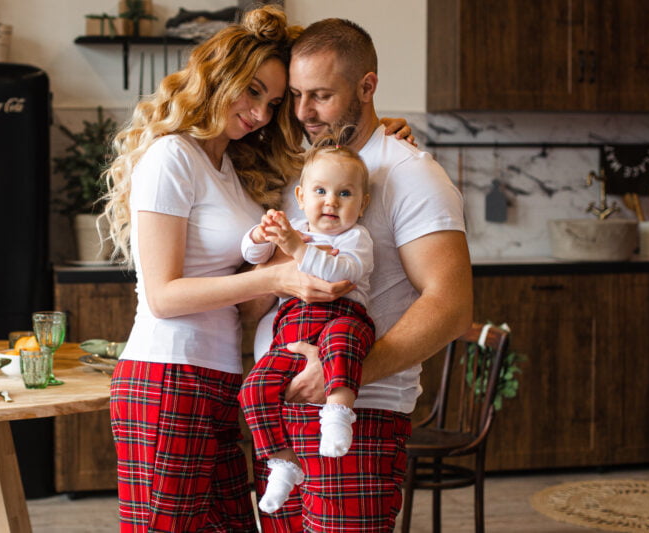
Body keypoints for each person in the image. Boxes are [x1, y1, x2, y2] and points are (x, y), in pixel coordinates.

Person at [101, 6, 412, 531]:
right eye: (251, 92)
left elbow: (320, 187)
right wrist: (276, 277)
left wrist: (382, 136)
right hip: (167, 377)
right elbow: (163, 296)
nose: (262, 114)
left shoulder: (230, 167)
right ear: (215, 78)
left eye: (274, 101)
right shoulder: (172, 156)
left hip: (223, 382)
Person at [251, 17, 474, 533]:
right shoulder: (307, 172)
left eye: (321, 96)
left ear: (367, 86)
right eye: (298, 95)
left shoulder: (410, 173)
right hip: (285, 413)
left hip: (363, 411)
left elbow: (451, 304)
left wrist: (340, 377)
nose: (304, 112)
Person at [238, 137, 375, 514]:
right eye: (320, 191)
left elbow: (339, 275)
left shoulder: (355, 238)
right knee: (253, 389)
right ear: (300, 196)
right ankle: (282, 462)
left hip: (343, 316)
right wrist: (259, 235)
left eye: (344, 193)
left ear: (361, 204)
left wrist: (297, 248)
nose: (330, 201)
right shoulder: (294, 226)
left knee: (341, 339)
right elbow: (251, 254)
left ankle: (338, 411)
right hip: (292, 331)